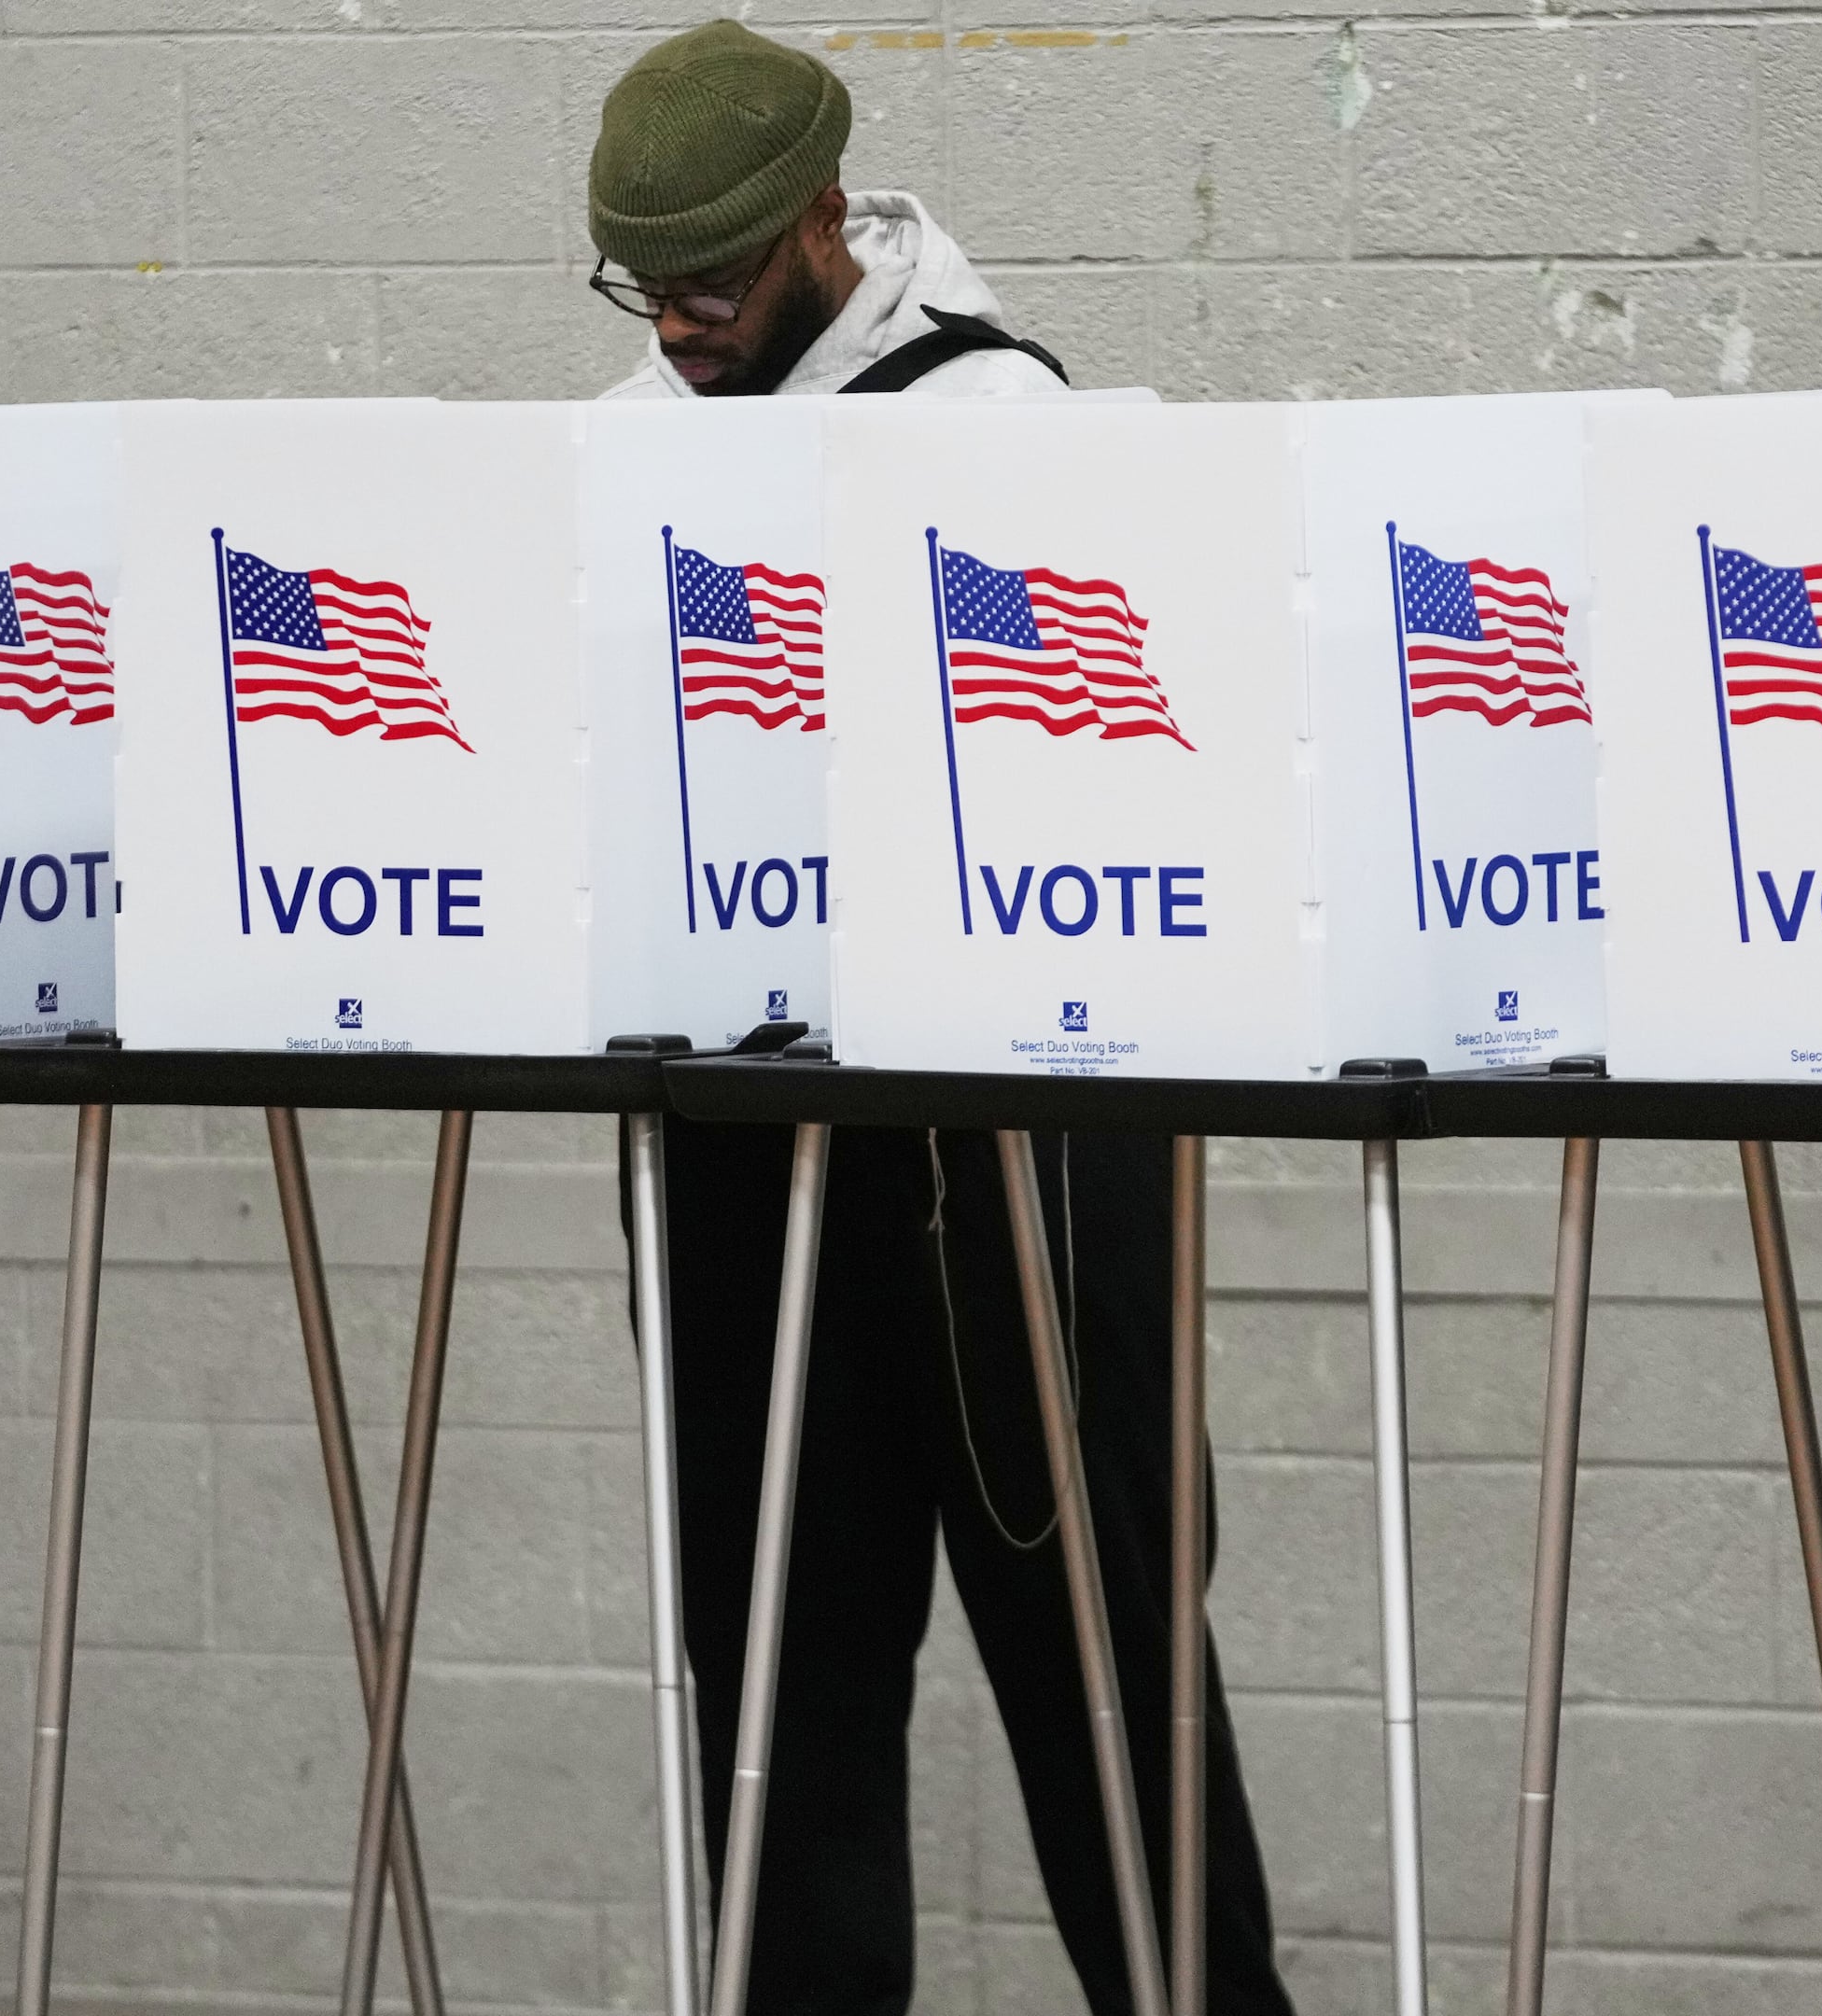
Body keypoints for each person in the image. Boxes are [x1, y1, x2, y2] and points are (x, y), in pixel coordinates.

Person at [584, 21, 1297, 2015]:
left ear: (828, 217)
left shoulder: (1006, 421)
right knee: (775, 1701)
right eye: (650, 285)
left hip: (1010, 1141)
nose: (685, 319)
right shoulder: (631, 429)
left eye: (718, 277)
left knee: (1109, 1688)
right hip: (735, 1133)